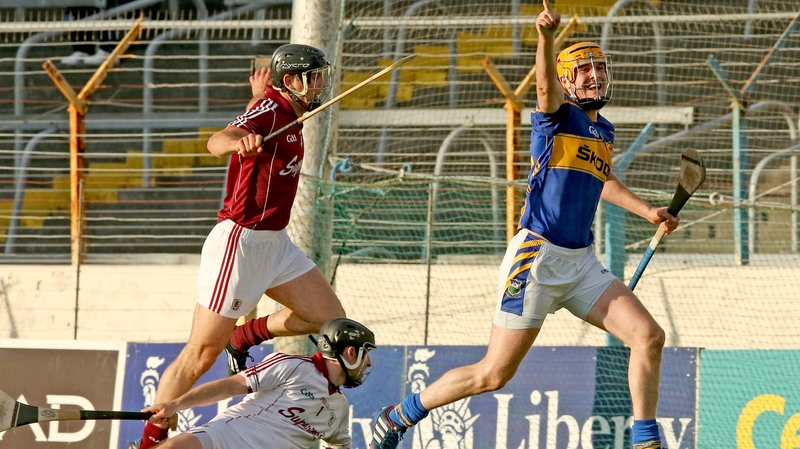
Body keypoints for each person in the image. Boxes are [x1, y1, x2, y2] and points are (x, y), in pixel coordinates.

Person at [368, 3, 679, 449]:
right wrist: (545, 38)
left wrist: (648, 212)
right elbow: (543, 87)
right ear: (568, 81)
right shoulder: (556, 117)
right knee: (492, 374)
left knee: (648, 336)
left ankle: (646, 439)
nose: (594, 76)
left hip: (580, 263)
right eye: (584, 70)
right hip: (537, 258)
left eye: (599, 68)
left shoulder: (603, 132)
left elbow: (601, 180)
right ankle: (398, 415)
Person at [130, 43, 346, 449]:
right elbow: (217, 140)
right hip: (242, 242)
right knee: (200, 354)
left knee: (331, 320)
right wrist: (238, 142)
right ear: (290, 81)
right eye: (312, 76)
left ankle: (246, 335)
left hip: (276, 245)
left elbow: (254, 113)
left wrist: (253, 103)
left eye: (321, 75)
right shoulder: (270, 111)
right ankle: (150, 439)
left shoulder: (284, 109)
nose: (320, 84)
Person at [141, 317, 376, 449]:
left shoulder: (340, 408)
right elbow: (229, 387)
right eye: (366, 354)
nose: (369, 364)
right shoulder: (293, 366)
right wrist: (176, 404)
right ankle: (151, 437)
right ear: (350, 352)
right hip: (225, 437)